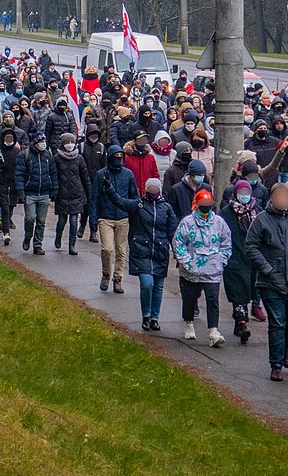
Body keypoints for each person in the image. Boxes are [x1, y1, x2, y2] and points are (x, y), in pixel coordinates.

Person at [245, 183, 288, 380]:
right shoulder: (262, 220)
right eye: (279, 197)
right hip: (271, 283)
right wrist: (266, 268)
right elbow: (250, 247)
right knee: (277, 323)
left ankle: (284, 349)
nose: (282, 200)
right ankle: (275, 364)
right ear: (272, 198)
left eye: (286, 197)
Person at [106, 176, 178, 331]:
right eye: (150, 188)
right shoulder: (138, 205)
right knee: (147, 284)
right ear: (146, 189)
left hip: (160, 251)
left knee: (158, 287)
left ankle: (154, 318)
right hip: (142, 251)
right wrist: (110, 189)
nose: (153, 191)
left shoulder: (166, 208)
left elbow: (173, 231)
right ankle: (145, 314)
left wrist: (178, 253)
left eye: (155, 188)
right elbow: (120, 202)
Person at [173, 189, 232, 347]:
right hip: (192, 271)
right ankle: (188, 323)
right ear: (196, 205)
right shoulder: (187, 222)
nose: (206, 207)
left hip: (212, 270)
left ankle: (213, 331)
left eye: (209, 204)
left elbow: (226, 243)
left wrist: (221, 260)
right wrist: (187, 263)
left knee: (213, 300)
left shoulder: (219, 222)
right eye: (202, 204)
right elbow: (178, 243)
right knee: (190, 299)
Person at [90, 145, 139, 293]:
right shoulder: (101, 175)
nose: (118, 159)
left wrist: (132, 215)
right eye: (115, 156)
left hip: (123, 217)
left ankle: (118, 278)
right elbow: (94, 198)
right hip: (105, 217)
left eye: (120, 156)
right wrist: (93, 219)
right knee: (107, 248)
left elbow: (134, 198)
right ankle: (106, 274)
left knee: (121, 250)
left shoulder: (128, 174)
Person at [219, 180, 261, 344]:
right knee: (238, 292)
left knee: (248, 292)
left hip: (251, 260)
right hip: (233, 258)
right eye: (241, 192)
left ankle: (239, 321)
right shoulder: (226, 213)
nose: (244, 196)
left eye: (247, 192)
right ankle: (242, 322)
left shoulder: (256, 212)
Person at [15, 132, 58, 256]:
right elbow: (19, 174)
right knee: (30, 218)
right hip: (30, 193)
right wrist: (21, 192)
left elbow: (53, 172)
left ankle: (38, 244)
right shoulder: (24, 155)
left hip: (44, 192)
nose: (43, 144)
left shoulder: (48, 155)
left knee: (41, 221)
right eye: (41, 141)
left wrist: (55, 188)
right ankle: (28, 236)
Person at [53, 132, 90, 255]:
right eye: (67, 143)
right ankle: (58, 237)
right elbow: (53, 176)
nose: (70, 145)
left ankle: (72, 245)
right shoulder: (57, 158)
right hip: (62, 195)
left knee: (74, 221)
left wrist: (88, 193)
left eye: (72, 142)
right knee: (62, 221)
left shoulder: (79, 158)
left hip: (76, 194)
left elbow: (85, 176)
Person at [0, 128, 21, 245]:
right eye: (7, 137)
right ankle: (6, 233)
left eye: (11, 137)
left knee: (11, 206)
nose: (9, 139)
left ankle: (8, 222)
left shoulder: (17, 152)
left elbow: (22, 168)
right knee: (4, 207)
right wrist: (0, 166)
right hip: (1, 183)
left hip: (14, 184)